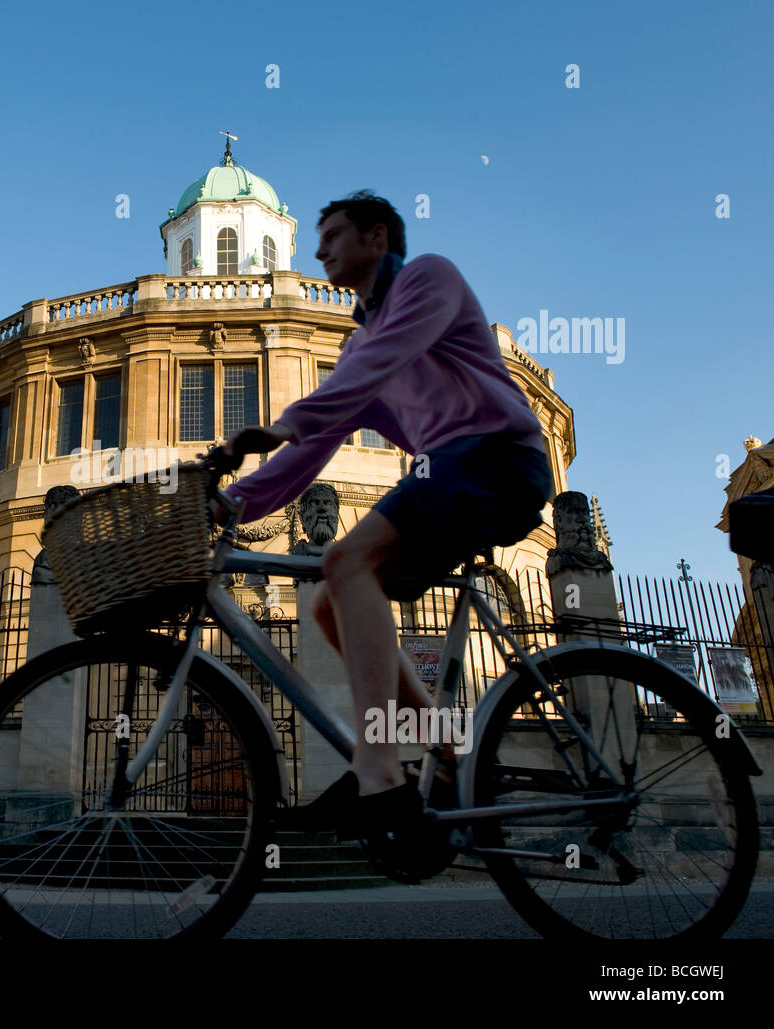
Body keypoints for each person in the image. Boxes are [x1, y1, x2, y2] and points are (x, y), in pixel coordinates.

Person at [221, 190, 553, 860]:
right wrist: (229, 503)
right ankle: (451, 755)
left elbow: (388, 355)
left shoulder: (429, 277)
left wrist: (290, 418)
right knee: (325, 605)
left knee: (344, 561)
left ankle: (379, 769)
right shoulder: (357, 348)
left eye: (334, 234)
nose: (319, 250)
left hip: (498, 459)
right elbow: (304, 458)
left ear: (377, 237)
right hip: (449, 473)